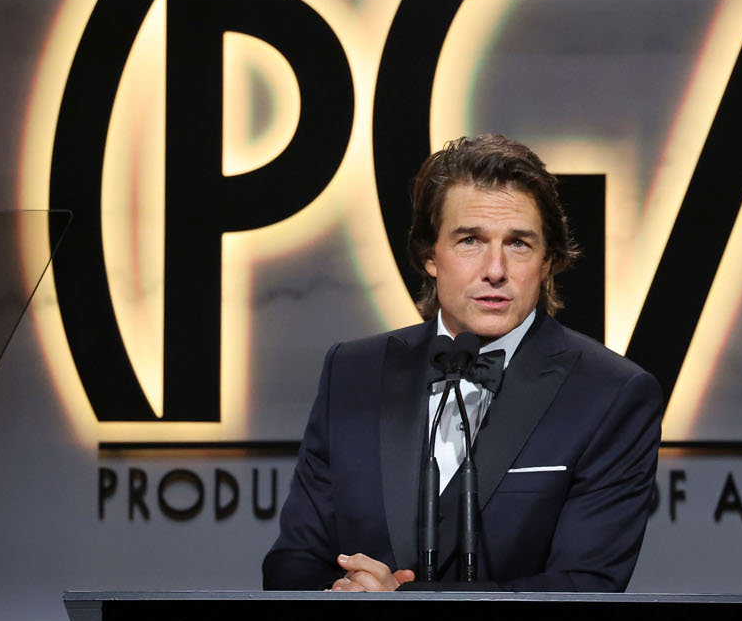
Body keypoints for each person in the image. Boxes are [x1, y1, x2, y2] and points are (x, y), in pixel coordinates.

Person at [262, 134, 663, 592]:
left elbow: (585, 587)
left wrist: (401, 602)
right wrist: (346, 595)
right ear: (429, 255)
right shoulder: (353, 372)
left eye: (518, 244)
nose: (495, 270)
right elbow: (291, 563)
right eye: (470, 240)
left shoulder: (611, 393)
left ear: (548, 261)